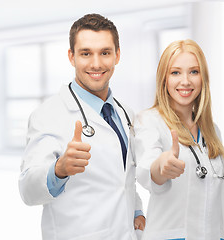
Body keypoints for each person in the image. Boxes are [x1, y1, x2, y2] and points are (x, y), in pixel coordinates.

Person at [18, 13, 145, 240]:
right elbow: (28, 190)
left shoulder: (125, 113)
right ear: (71, 56)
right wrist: (59, 169)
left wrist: (136, 211)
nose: (96, 63)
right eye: (86, 53)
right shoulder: (48, 114)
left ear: (117, 55)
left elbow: (124, 178)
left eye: (105, 53)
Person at [134, 39, 224, 240]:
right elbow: (149, 168)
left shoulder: (212, 132)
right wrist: (162, 167)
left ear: (203, 78)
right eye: (175, 72)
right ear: (164, 79)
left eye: (194, 71)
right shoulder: (149, 121)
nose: (185, 81)